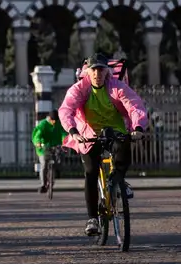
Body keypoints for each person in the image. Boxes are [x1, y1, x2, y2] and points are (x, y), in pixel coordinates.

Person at [58, 54, 147, 236]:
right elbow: (67, 109)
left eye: (101, 69)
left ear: (107, 71)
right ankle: (92, 219)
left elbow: (134, 105)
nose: (97, 73)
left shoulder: (117, 87)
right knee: (91, 172)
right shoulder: (79, 89)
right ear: (87, 72)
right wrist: (73, 131)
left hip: (115, 131)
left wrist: (138, 127)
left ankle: (118, 180)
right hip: (88, 134)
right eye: (94, 70)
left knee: (123, 149)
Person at [32, 110, 67, 193]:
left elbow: (63, 133)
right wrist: (38, 142)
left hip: (56, 145)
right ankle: (43, 185)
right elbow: (38, 135)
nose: (54, 122)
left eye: (56, 120)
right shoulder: (43, 124)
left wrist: (65, 141)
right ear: (49, 119)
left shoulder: (59, 123)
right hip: (44, 147)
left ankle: (57, 171)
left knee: (59, 157)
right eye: (53, 120)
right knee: (44, 164)